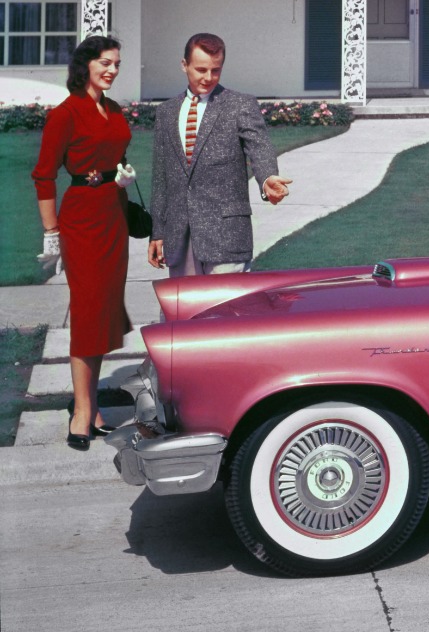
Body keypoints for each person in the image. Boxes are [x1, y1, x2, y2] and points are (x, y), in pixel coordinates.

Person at [32, 35, 135, 451]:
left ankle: (92, 409)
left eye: (116, 64)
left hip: (114, 215)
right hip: (81, 222)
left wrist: (120, 175)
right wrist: (52, 232)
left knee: (104, 312)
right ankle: (80, 412)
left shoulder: (112, 109)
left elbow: (113, 154)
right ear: (86, 65)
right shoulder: (66, 113)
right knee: (89, 310)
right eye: (105, 63)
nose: (111, 70)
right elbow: (43, 174)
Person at [147, 33, 292, 278]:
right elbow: (161, 177)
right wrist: (158, 232)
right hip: (180, 238)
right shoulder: (166, 112)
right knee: (185, 314)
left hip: (227, 235)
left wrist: (268, 179)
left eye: (216, 70)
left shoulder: (239, 104)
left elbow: (259, 148)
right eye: (201, 69)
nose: (208, 77)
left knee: (226, 313)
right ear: (184, 65)